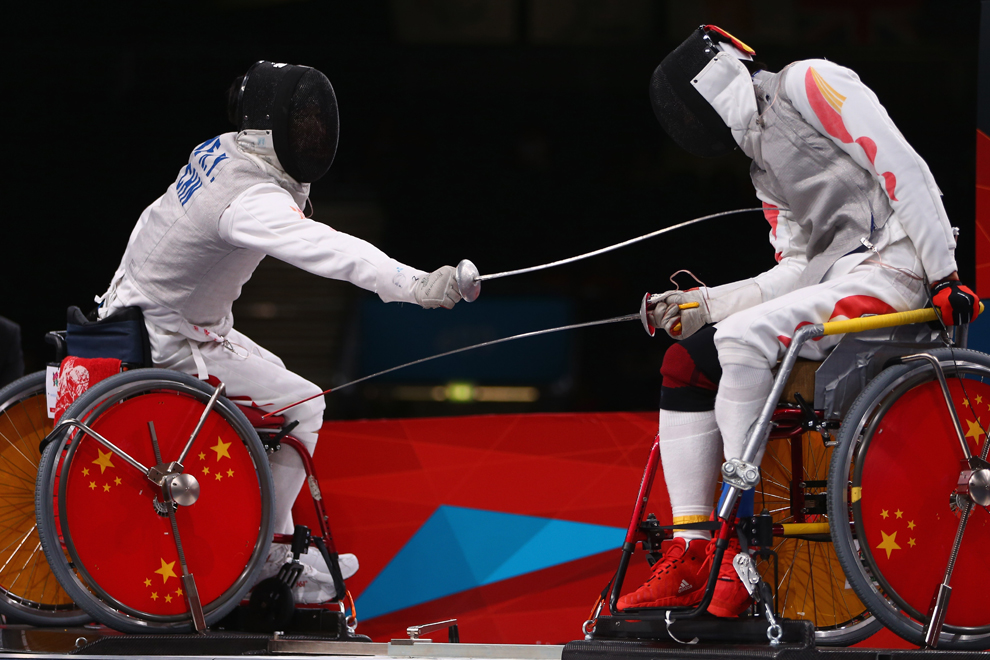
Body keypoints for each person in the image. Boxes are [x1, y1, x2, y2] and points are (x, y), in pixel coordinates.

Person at [618, 26, 980, 617]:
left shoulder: (810, 83)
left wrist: (944, 274)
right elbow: (795, 269)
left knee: (741, 340)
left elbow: (903, 166)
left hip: (896, 270)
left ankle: (737, 552)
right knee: (688, 362)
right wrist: (707, 304)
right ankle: (692, 549)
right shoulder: (763, 170)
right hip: (838, 284)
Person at [96, 61, 465, 603]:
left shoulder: (222, 150)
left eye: (316, 122)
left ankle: (273, 536)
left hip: (145, 316)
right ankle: (263, 553)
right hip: (166, 340)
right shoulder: (248, 199)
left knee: (285, 388)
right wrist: (412, 283)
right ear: (271, 129)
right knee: (303, 405)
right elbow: (326, 247)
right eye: (302, 124)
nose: (313, 135)